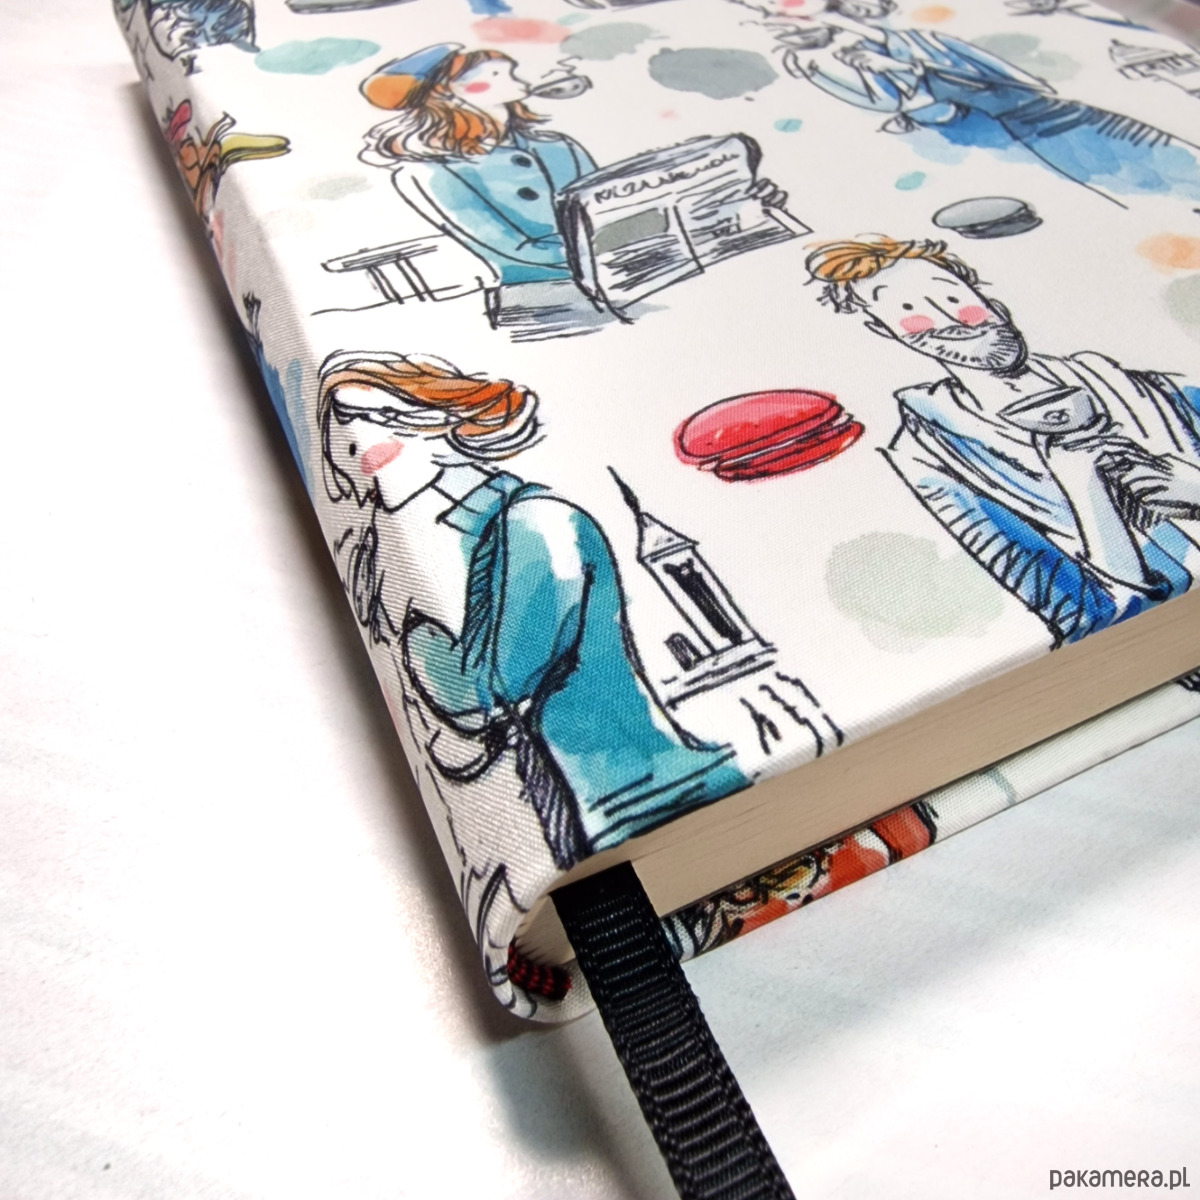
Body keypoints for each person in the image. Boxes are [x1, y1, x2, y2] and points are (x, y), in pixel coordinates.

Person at [318, 351, 745, 869]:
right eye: (342, 434)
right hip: (590, 809)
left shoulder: (538, 521)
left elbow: (481, 692)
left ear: (439, 416)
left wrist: (407, 623)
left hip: (651, 797)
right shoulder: (465, 534)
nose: (359, 441)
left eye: (380, 416)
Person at [805, 236, 1200, 645]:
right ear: (885, 330)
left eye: (953, 297)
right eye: (910, 311)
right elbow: (1073, 615)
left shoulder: (1127, 383)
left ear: (988, 298)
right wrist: (1089, 497)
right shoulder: (931, 457)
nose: (953, 319)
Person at [729, 0, 1200, 205]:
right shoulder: (844, 58)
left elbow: (984, 75)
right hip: (1009, 131)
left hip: (1046, 116)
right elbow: (896, 100)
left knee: (1160, 165)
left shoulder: (913, 41)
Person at [359, 44, 597, 286]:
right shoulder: (431, 171)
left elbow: (604, 206)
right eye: (495, 74)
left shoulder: (558, 145)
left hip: (609, 267)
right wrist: (591, 255)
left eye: (509, 71)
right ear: (446, 92)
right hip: (542, 290)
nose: (516, 80)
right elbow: (502, 243)